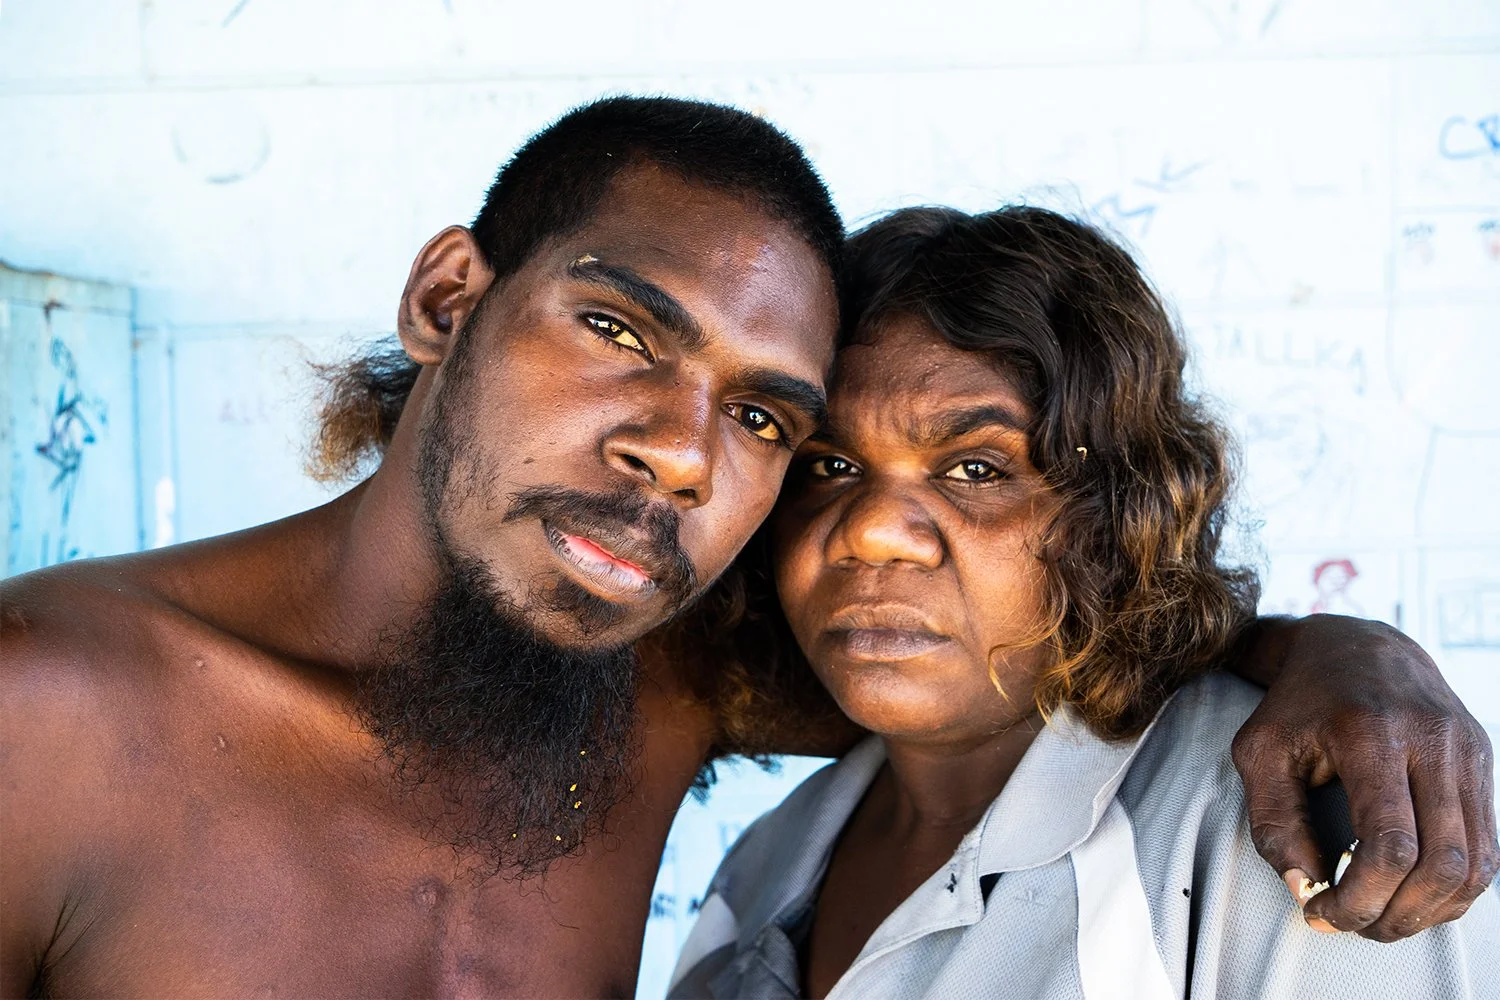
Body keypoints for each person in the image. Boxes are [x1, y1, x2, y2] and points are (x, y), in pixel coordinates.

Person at [0, 98, 1490, 998]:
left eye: (769, 420)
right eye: (615, 328)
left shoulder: (657, 689)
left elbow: (1035, 629)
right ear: (450, 298)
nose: (681, 450)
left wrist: (1343, 658)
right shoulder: (45, 711)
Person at [668, 205, 1500, 1000]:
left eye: (977, 470)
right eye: (829, 466)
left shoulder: (1286, 826)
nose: (876, 532)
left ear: (1114, 518)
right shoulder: (769, 864)